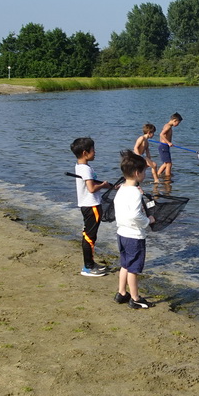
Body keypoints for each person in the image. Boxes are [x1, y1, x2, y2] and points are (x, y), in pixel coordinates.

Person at [114, 150, 156, 309]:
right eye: (145, 171)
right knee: (133, 269)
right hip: (134, 237)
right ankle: (135, 298)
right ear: (138, 173)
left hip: (121, 233)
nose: (145, 174)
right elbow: (135, 215)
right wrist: (148, 221)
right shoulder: (135, 194)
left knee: (125, 264)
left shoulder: (122, 188)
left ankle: (121, 293)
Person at [70, 137, 113, 277]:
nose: (95, 152)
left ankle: (91, 263)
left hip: (88, 205)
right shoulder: (85, 169)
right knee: (90, 236)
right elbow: (92, 188)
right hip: (91, 205)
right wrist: (103, 185)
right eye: (93, 150)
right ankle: (88, 267)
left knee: (89, 234)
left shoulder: (80, 166)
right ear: (84, 152)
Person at [157, 112, 182, 178]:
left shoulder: (168, 126)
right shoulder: (168, 126)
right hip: (163, 146)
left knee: (166, 163)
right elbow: (161, 134)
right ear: (174, 120)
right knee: (169, 164)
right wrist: (168, 142)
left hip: (164, 146)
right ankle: (168, 178)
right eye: (178, 123)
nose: (178, 124)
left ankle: (157, 174)